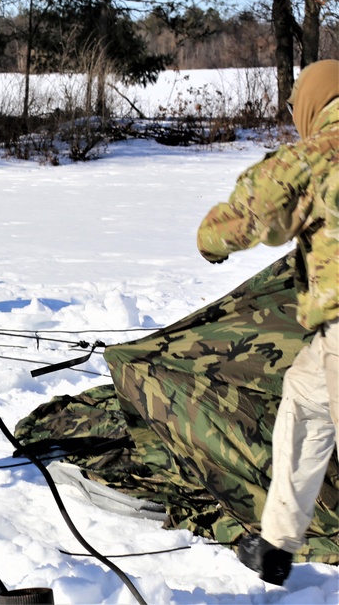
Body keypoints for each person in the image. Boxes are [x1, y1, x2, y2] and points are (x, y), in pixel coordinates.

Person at [196, 59, 338, 586]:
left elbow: (249, 214)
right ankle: (277, 544)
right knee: (304, 396)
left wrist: (209, 242)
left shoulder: (318, 153)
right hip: (331, 336)